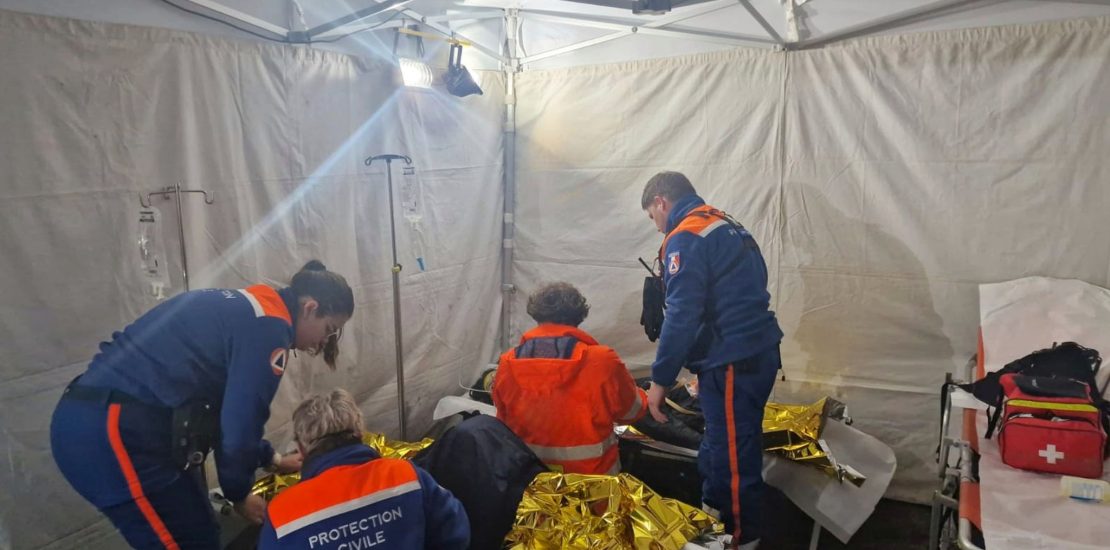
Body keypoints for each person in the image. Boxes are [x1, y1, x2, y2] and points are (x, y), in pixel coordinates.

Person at [50, 260, 354, 549]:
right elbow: (240, 424)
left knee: (202, 531)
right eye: (328, 330)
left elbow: (222, 412)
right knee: (190, 543)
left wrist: (271, 458)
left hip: (113, 422)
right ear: (310, 307)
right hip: (112, 430)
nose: (322, 343)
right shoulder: (269, 329)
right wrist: (239, 493)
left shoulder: (254, 307)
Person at [641, 172, 783, 550]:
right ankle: (717, 518)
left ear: (661, 202)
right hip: (752, 352)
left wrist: (659, 382)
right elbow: (750, 287)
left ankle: (741, 537)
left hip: (734, 359)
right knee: (725, 445)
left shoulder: (685, 236)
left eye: (652, 218)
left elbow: (682, 315)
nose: (657, 229)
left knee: (733, 457)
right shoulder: (725, 223)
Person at [259, 389, 470, 550]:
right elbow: (455, 531)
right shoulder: (405, 476)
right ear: (360, 431)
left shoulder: (282, 514)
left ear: (301, 448)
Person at [492, 282, 648, 475]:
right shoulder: (603, 360)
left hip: (530, 480)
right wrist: (643, 393)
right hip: (593, 484)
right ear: (579, 316)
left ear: (536, 314)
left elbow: (502, 420)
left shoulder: (507, 362)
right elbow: (633, 411)